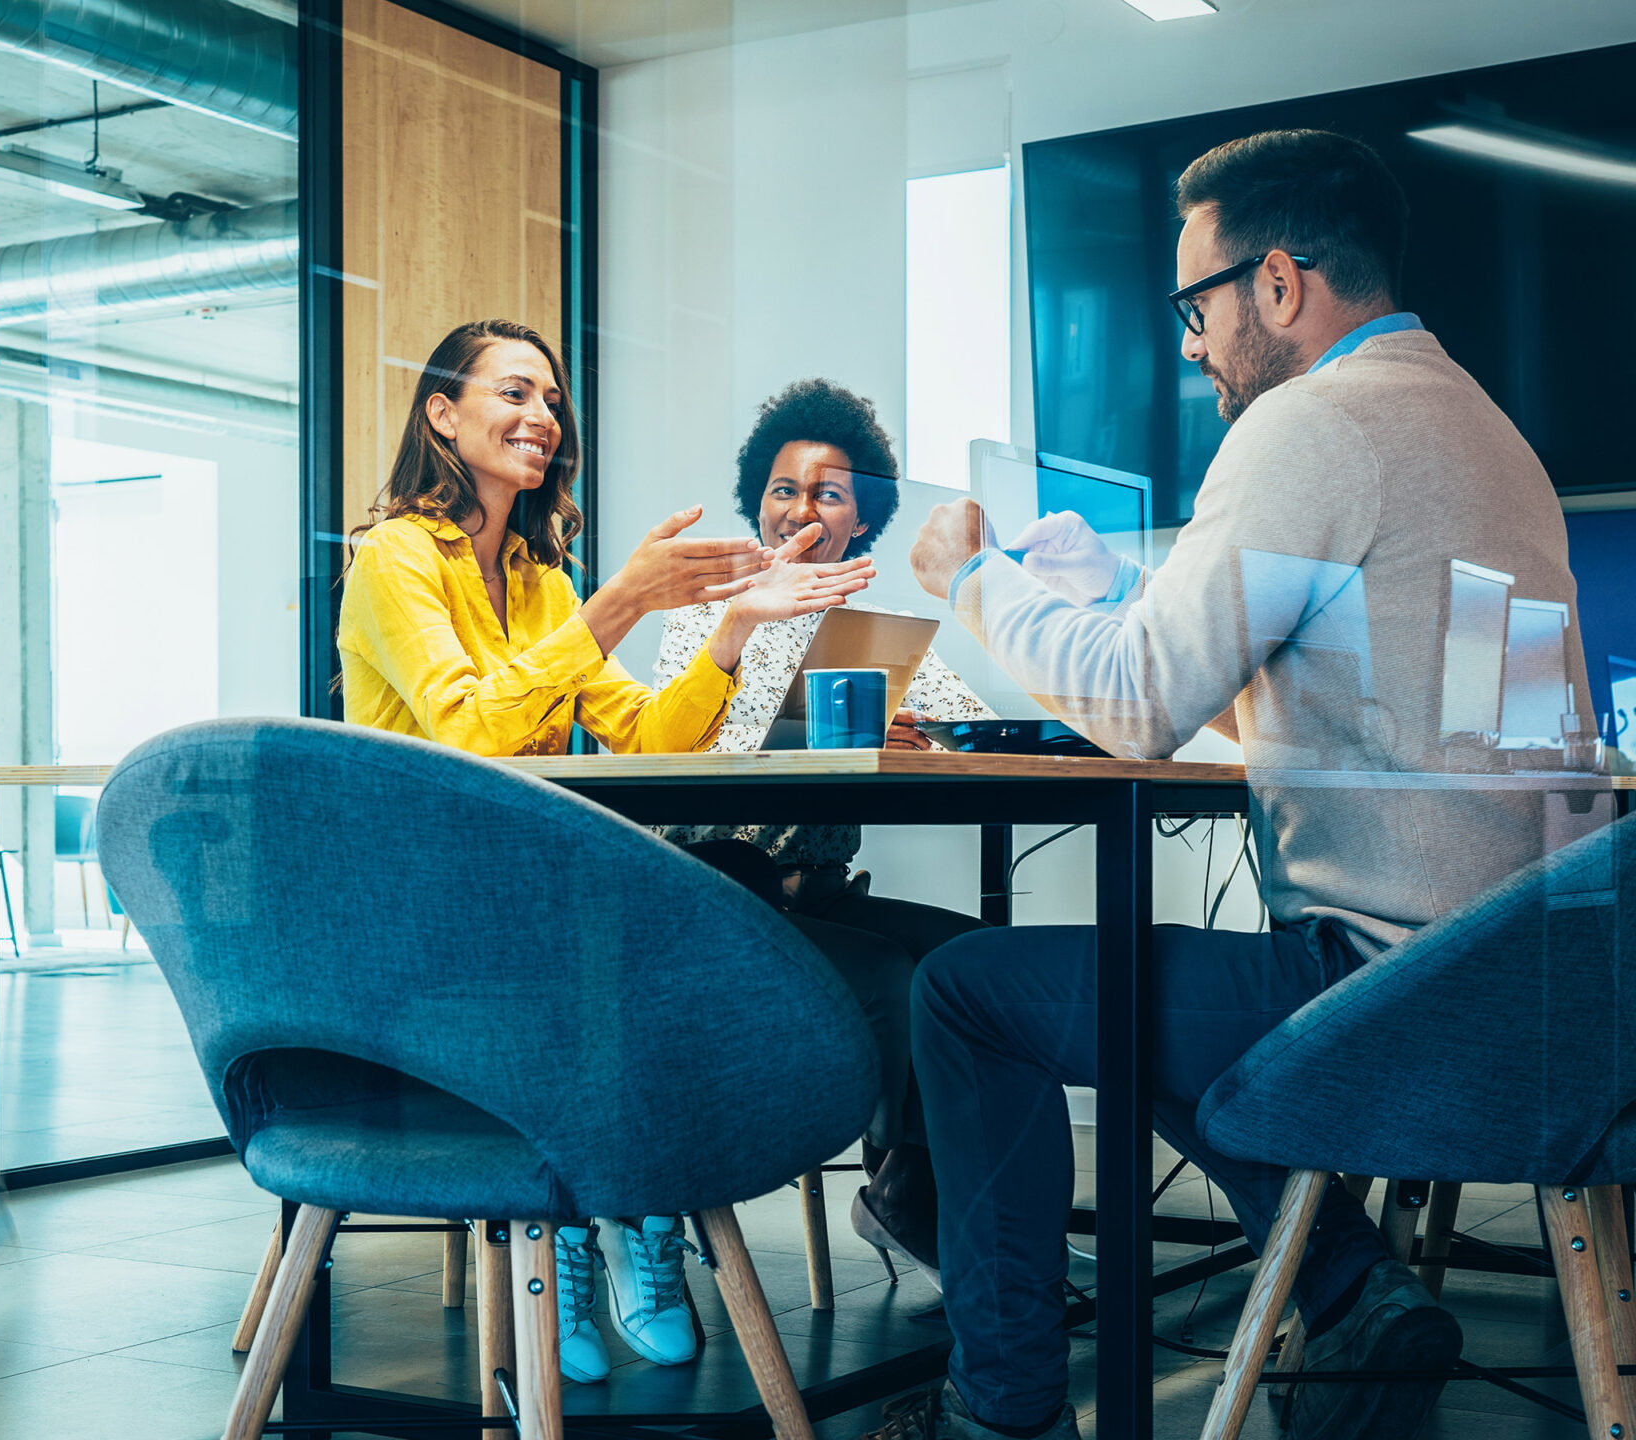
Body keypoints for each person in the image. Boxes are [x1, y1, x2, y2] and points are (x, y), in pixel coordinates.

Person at [879, 129, 1595, 1440]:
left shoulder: (1309, 425)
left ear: (1276, 283)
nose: (1192, 341)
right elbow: (1443, 706)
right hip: (1538, 1000)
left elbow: (1145, 706)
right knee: (1142, 978)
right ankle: (1351, 1286)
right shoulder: (1487, 440)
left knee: (971, 994)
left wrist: (972, 582)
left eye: (1192, 303)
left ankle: (998, 1413)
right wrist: (1122, 598)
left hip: (1391, 1003)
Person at [338, 317, 874, 1385]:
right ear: (441, 414)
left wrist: (727, 631)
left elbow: (645, 734)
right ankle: (607, 1212)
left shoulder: (539, 578)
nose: (542, 418)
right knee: (654, 926)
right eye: (513, 394)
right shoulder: (393, 555)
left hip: (529, 887)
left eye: (551, 401)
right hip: (428, 904)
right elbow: (465, 730)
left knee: (709, 895)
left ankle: (618, 1211)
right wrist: (623, 598)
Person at [653, 377, 996, 1290]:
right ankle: (900, 1191)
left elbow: (957, 733)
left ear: (860, 522)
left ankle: (931, 1196)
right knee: (893, 979)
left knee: (978, 960)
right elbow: (701, 748)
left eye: (828, 492)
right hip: (715, 897)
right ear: (755, 504)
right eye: (783, 489)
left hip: (824, 898)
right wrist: (832, 728)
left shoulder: (869, 632)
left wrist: (923, 729)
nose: (802, 508)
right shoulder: (706, 613)